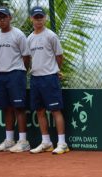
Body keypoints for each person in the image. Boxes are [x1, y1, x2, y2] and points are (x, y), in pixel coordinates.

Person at [27, 6, 69, 155]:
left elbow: (59, 56)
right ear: (31, 18)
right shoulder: (30, 38)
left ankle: (62, 143)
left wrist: (54, 70)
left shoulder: (51, 36)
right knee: (39, 111)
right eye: (36, 17)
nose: (38, 20)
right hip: (35, 79)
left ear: (45, 18)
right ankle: (46, 142)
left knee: (55, 110)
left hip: (50, 78)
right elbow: (30, 58)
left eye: (41, 17)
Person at [0, 6, 31, 153]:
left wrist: (21, 72)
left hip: (16, 74)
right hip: (1, 75)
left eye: (4, 17)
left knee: (18, 108)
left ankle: (23, 142)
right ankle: (9, 140)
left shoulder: (18, 35)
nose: (2, 20)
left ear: (10, 18)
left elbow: (26, 56)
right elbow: (0, 55)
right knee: (6, 108)